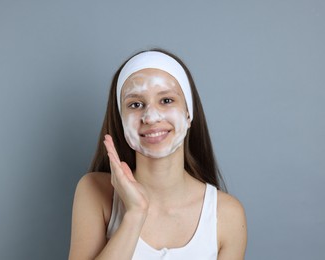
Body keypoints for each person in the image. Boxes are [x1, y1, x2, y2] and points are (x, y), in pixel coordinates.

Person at [69, 49, 247, 260]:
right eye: (135, 104)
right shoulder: (95, 191)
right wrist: (135, 215)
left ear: (189, 113)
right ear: (121, 119)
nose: (151, 117)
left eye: (166, 100)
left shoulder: (227, 214)